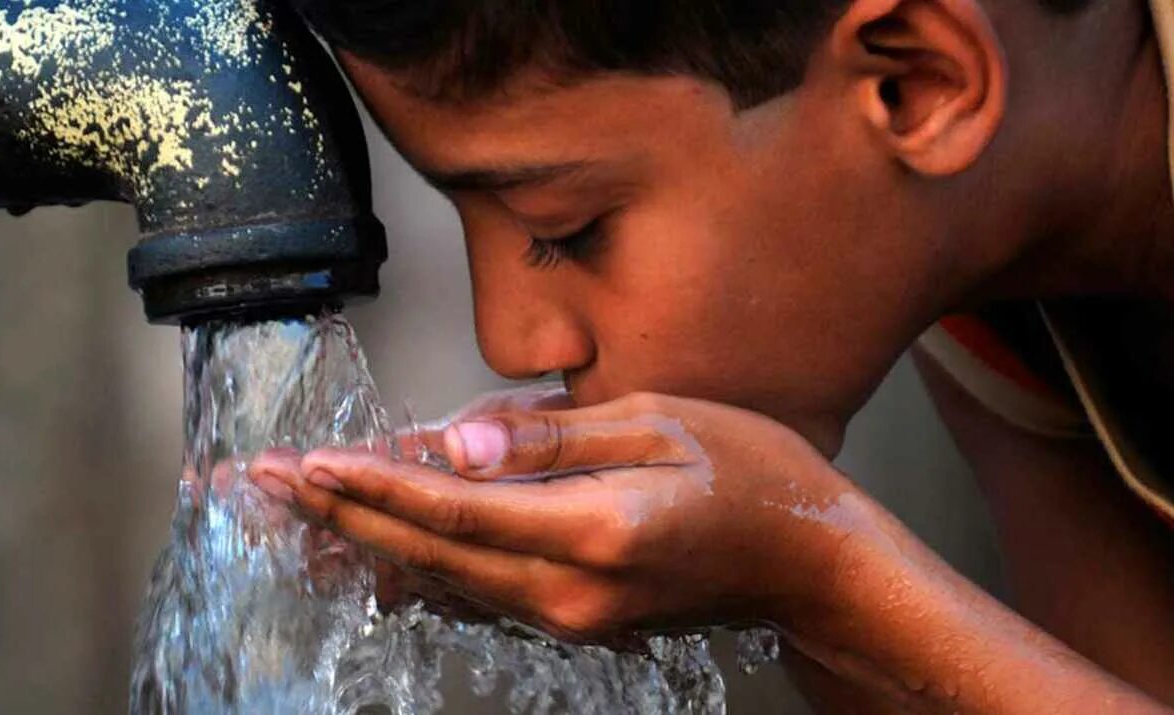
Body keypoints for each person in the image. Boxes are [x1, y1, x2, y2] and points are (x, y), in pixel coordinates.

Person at [250, 0, 1174, 711]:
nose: (514, 339)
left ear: (918, 84)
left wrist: (828, 578)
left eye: (566, 230)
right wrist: (751, 583)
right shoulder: (987, 277)